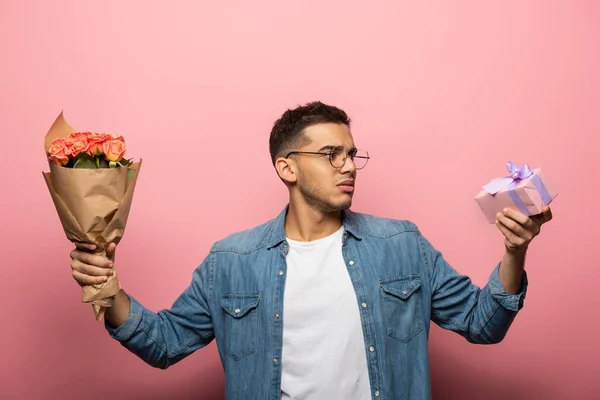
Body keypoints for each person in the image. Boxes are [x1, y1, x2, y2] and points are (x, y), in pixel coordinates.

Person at [70, 101, 553, 400]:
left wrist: (515, 252)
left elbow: (483, 323)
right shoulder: (231, 262)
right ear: (287, 168)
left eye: (351, 153)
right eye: (330, 155)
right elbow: (165, 343)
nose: (349, 166)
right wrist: (109, 293)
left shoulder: (402, 244)